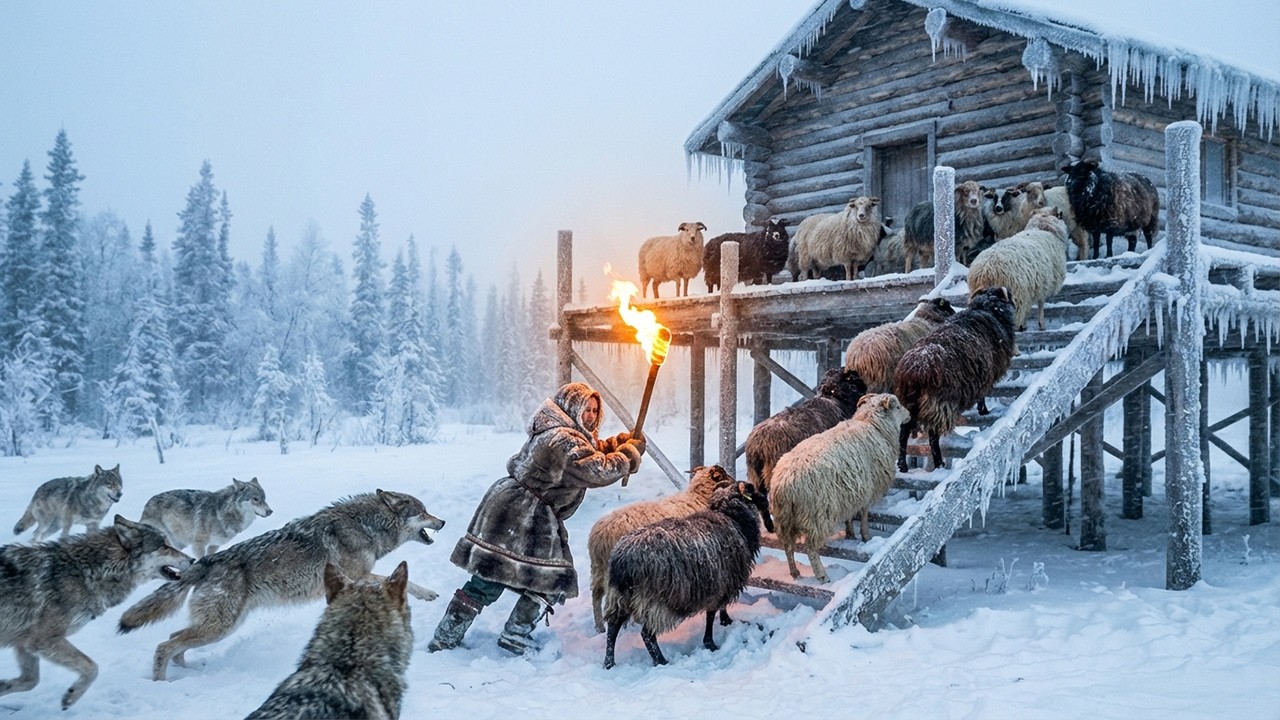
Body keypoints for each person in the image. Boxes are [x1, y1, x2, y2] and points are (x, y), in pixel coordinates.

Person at [428, 382, 646, 654]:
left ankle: (482, 636)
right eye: (585, 409)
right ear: (571, 408)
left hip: (523, 508)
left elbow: (589, 451)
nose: (590, 416)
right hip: (522, 512)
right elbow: (594, 469)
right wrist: (628, 456)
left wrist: (618, 444)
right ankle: (485, 636)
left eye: (594, 410)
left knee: (523, 577)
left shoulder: (563, 432)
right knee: (516, 578)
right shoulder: (561, 439)